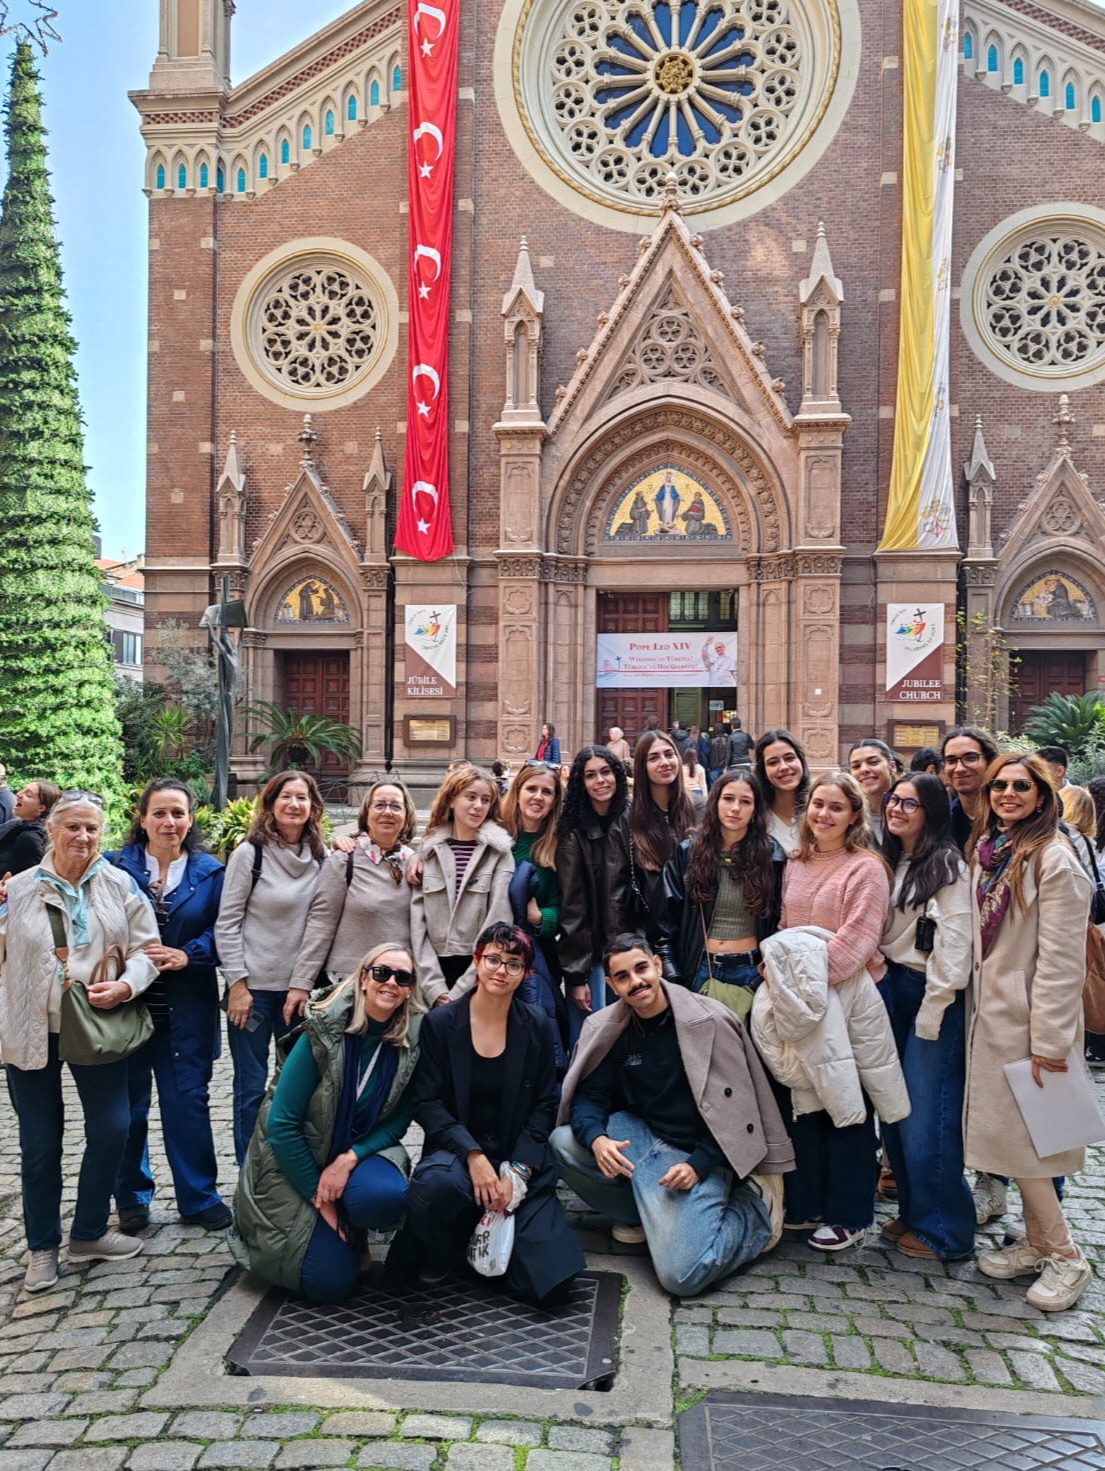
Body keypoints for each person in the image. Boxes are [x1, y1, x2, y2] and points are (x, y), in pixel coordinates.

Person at [551, 933, 792, 1292]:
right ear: (612, 985)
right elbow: (591, 1097)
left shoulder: (709, 1020)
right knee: (564, 1142)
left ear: (657, 966)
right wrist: (598, 1139)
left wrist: (699, 1164)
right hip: (644, 1139)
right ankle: (643, 1218)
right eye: (623, 976)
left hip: (701, 1154)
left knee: (681, 1277)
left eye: (641, 969)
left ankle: (755, 1214)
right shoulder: (610, 1028)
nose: (636, 982)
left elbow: (737, 1113)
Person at [0, 791, 159, 1293]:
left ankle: (89, 1232)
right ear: (51, 830)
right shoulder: (18, 888)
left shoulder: (120, 883)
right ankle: (42, 1248)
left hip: (97, 1023)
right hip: (30, 1028)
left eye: (92, 828)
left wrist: (126, 986)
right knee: (40, 1142)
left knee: (113, 1129)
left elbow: (147, 949)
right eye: (72, 826)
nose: (83, 837)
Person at [390, 923, 585, 1306]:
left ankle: (489, 1242)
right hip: (457, 1159)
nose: (501, 970)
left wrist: (519, 1171)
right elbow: (427, 1103)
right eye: (493, 959)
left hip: (517, 1158)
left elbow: (546, 1103)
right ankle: (447, 1242)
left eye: (514, 964)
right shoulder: (441, 1024)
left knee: (553, 1284)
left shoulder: (537, 1024)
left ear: (526, 974)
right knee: (436, 1189)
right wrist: (472, 1154)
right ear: (477, 961)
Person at [966, 751, 1094, 1311]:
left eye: (1021, 786)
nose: (1008, 794)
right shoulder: (992, 851)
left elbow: (1064, 962)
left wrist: (1049, 1042)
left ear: (1042, 795)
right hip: (993, 1017)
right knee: (1012, 1143)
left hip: (1031, 1025)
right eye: (999, 786)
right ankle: (1039, 1242)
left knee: (1031, 1147)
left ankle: (1067, 1257)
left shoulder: (1055, 858)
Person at [233, 944, 424, 1303]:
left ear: (410, 988)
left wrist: (350, 1158)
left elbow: (399, 1120)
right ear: (363, 978)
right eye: (382, 972)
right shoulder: (322, 1030)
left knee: (382, 1198)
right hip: (296, 1157)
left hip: (354, 1151)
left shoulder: (411, 1041)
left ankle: (353, 1221)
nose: (391, 983)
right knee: (329, 1283)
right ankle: (333, 1223)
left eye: (403, 977)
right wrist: (321, 1200)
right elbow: (282, 1125)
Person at [772, 771, 893, 1250]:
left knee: (847, 1102)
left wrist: (798, 983)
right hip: (802, 1001)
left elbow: (857, 942)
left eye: (836, 807)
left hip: (847, 999)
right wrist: (779, 973)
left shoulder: (867, 868)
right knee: (807, 1100)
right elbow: (784, 927)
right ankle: (808, 1203)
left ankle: (850, 1213)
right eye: (818, 805)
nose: (824, 814)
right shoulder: (796, 862)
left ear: (854, 815)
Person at [108, 779, 230, 1232]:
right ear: (142, 819)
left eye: (178, 813)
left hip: (187, 1007)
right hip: (127, 1006)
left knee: (188, 1104)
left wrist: (190, 953)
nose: (169, 822)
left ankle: (198, 1196)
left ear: (190, 819)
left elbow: (227, 928)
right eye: (159, 813)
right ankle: (131, 1197)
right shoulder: (114, 867)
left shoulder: (211, 873)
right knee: (128, 1107)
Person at [877, 773, 974, 1261]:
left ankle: (946, 1230)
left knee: (926, 1117)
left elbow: (956, 942)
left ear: (931, 811)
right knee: (895, 1111)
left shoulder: (946, 864)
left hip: (929, 993)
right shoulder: (895, 856)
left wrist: (935, 1006)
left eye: (909, 803)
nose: (896, 808)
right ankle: (916, 1211)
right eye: (893, 800)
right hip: (892, 989)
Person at [216, 771, 327, 1166]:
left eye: (302, 797)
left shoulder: (321, 857)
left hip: (299, 993)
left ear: (313, 807)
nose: (294, 804)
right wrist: (237, 985)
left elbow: (322, 922)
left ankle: (286, 1171)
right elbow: (227, 922)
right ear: (271, 802)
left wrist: (303, 984)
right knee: (250, 1087)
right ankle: (249, 1171)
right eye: (286, 796)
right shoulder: (251, 854)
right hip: (253, 995)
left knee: (296, 1089)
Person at [654, 769, 784, 1015]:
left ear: (755, 810)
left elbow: (781, 921)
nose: (735, 808)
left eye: (745, 801)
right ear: (715, 802)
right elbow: (663, 924)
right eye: (728, 798)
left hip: (751, 971)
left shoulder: (772, 856)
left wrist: (769, 972)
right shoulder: (688, 852)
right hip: (700, 968)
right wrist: (674, 977)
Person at [291, 780, 417, 1000]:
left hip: (396, 987)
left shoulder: (415, 865)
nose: (387, 812)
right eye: (379, 805)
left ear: (406, 815)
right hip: (348, 985)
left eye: (396, 806)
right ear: (366, 813)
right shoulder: (343, 860)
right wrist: (301, 983)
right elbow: (320, 923)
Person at [410, 764, 514, 1006]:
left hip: (479, 971)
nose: (478, 805)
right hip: (430, 973)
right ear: (451, 800)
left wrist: (460, 991)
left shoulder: (498, 854)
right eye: (471, 797)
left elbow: (498, 921)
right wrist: (435, 988)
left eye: (486, 800)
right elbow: (417, 924)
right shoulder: (429, 852)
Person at [556, 745, 633, 1041]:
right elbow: (573, 908)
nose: (600, 780)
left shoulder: (632, 818)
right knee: (593, 1044)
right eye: (591, 775)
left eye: (606, 772)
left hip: (631, 953)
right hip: (594, 961)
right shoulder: (573, 832)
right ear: (581, 782)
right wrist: (578, 976)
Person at [501, 761, 567, 1067]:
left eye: (547, 792)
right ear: (517, 792)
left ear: (555, 800)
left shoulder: (558, 845)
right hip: (492, 954)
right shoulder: (496, 836)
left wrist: (542, 917)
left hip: (538, 954)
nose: (538, 797)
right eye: (531, 789)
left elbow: (565, 904)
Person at [630, 730, 698, 911]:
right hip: (648, 923)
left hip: (693, 921)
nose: (665, 763)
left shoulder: (702, 809)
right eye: (654, 758)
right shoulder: (629, 818)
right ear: (642, 766)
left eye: (669, 754)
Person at [942, 726, 999, 853]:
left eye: (970, 758)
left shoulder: (1007, 818)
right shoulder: (942, 822)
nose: (959, 768)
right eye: (951, 760)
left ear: (990, 762)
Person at [753, 728, 811, 852]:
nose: (784, 767)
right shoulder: (756, 817)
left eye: (789, 758)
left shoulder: (818, 811)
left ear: (801, 761)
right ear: (764, 771)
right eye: (773, 762)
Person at [0, 780, 62, 877]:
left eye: (28, 795)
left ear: (41, 808)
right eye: (23, 790)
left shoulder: (31, 838)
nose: (19, 794)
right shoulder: (14, 824)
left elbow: (30, 879)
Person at [848, 738, 899, 842]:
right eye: (856, 766)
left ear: (892, 767)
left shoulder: (910, 811)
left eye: (873, 762)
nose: (864, 770)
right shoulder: (848, 818)